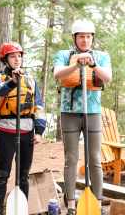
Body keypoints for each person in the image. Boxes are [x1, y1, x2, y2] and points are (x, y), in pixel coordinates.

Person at [53, 19, 112, 215]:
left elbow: (107, 77)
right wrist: (76, 65)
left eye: (88, 36)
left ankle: (97, 200)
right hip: (69, 112)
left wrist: (93, 65)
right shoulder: (63, 55)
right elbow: (58, 74)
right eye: (81, 37)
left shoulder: (102, 56)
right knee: (71, 159)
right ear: (75, 38)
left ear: (92, 38)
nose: (85, 40)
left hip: (93, 112)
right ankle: (70, 203)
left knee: (94, 159)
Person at [0, 42, 46, 215]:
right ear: (5, 59)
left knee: (23, 175)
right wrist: (13, 82)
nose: (17, 59)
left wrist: (39, 131)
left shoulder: (30, 79)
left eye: (19, 56)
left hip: (27, 131)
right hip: (6, 132)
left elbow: (38, 106)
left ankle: (22, 209)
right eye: (13, 56)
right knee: (3, 174)